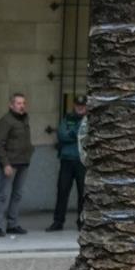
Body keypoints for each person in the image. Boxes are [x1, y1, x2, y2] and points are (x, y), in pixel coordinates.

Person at [0, 90, 33, 236]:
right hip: (10, 163)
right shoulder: (5, 121)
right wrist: (5, 164)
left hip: (23, 162)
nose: (22, 106)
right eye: (18, 103)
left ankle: (12, 224)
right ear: (11, 105)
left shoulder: (24, 119)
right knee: (3, 194)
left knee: (17, 194)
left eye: (23, 103)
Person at [46, 93, 88, 231]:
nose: (80, 108)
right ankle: (58, 221)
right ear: (74, 105)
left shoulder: (89, 120)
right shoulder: (67, 118)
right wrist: (76, 133)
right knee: (62, 191)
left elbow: (86, 136)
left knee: (83, 193)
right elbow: (61, 134)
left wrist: (72, 133)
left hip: (82, 161)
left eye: (82, 105)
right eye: (78, 105)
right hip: (67, 160)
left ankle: (82, 222)